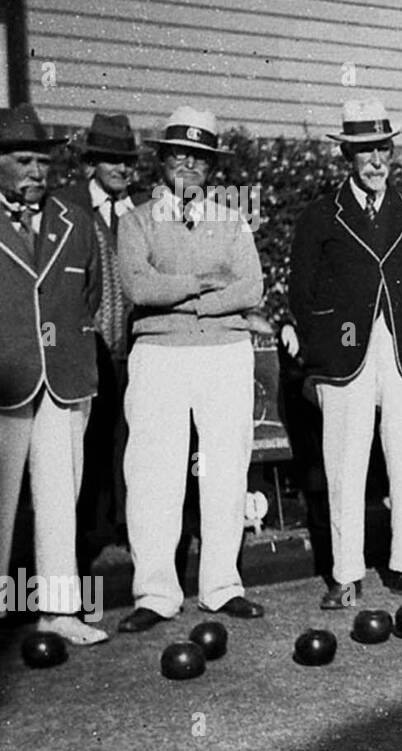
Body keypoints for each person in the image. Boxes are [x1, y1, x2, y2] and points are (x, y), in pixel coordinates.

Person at [289, 98, 402, 610]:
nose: (376, 161)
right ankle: (345, 574)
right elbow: (302, 292)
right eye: (365, 151)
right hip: (345, 356)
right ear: (348, 157)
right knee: (345, 464)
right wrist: (320, 358)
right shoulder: (321, 214)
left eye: (383, 149)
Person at [116, 106, 266, 632]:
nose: (188, 164)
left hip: (225, 353)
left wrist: (187, 299)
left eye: (199, 157)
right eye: (179, 153)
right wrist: (206, 283)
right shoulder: (134, 220)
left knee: (227, 468)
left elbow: (251, 287)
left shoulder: (232, 219)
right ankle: (155, 592)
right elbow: (139, 286)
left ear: (211, 166)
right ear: (163, 159)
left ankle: (221, 586)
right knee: (154, 473)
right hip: (159, 355)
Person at [0, 103, 107, 645]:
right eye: (23, 161)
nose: (37, 173)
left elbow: (87, 298)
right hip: (4, 382)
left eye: (42, 163)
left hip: (63, 375)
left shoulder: (76, 223)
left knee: (60, 492)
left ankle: (59, 611)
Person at [52, 113, 139, 565]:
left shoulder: (145, 209)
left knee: (132, 437)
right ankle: (86, 531)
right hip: (84, 344)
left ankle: (128, 527)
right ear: (91, 163)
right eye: (111, 160)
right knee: (86, 438)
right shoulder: (65, 206)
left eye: (127, 161)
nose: (122, 170)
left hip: (136, 347)